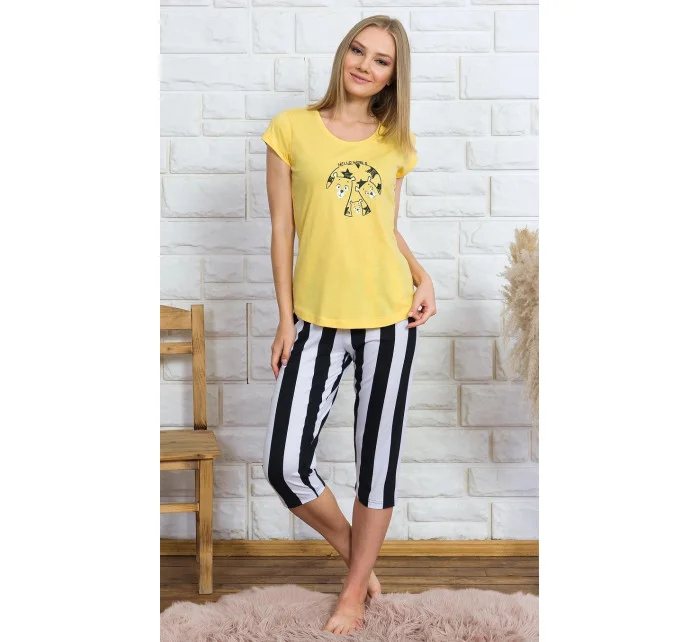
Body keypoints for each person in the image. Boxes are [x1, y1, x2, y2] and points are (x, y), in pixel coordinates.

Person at [260, 15, 437, 636]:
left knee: (376, 460)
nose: (364, 65)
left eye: (381, 60)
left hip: (389, 317)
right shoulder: (290, 130)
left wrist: (422, 275)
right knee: (285, 464)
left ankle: (354, 592)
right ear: (343, 54)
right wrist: (284, 319)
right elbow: (283, 229)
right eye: (358, 51)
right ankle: (355, 557)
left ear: (393, 76)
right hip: (314, 319)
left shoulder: (395, 142)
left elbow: (382, 226)